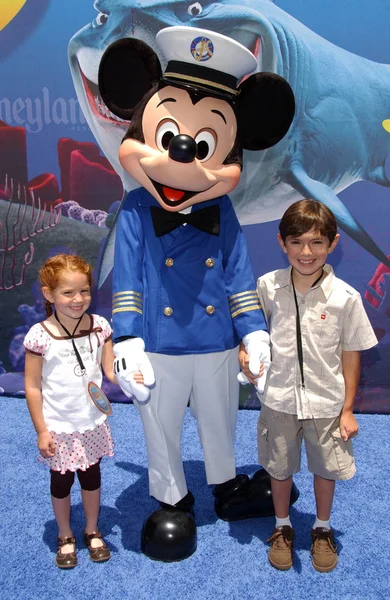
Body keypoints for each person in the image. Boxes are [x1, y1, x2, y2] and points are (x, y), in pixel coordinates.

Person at [239, 200, 378, 572]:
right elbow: (253, 333)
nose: (306, 252)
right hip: (279, 398)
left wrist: (347, 410)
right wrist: (243, 352)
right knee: (279, 468)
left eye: (317, 243)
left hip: (326, 403)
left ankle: (321, 527)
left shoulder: (346, 298)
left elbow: (351, 355)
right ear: (282, 243)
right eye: (297, 242)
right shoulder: (267, 287)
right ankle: (282, 525)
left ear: (332, 244)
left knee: (325, 468)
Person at [24, 254, 138, 569]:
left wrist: (132, 377)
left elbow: (111, 371)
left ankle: (91, 528)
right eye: (68, 292)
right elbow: (33, 387)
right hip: (58, 427)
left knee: (91, 477)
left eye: (84, 291)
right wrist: (42, 431)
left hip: (91, 424)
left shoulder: (100, 327)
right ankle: (64, 534)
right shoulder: (39, 335)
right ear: (48, 294)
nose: (78, 299)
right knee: (61, 482)